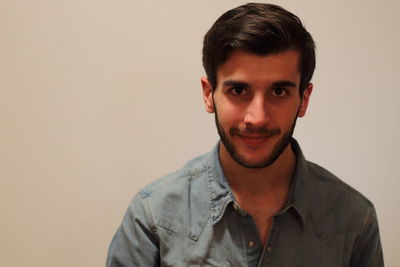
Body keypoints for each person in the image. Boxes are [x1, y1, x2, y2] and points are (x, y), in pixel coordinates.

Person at [107, 3, 384, 266]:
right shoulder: (153, 215)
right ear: (208, 94)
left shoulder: (354, 219)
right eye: (238, 91)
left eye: (279, 91)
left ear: (304, 98)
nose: (257, 118)